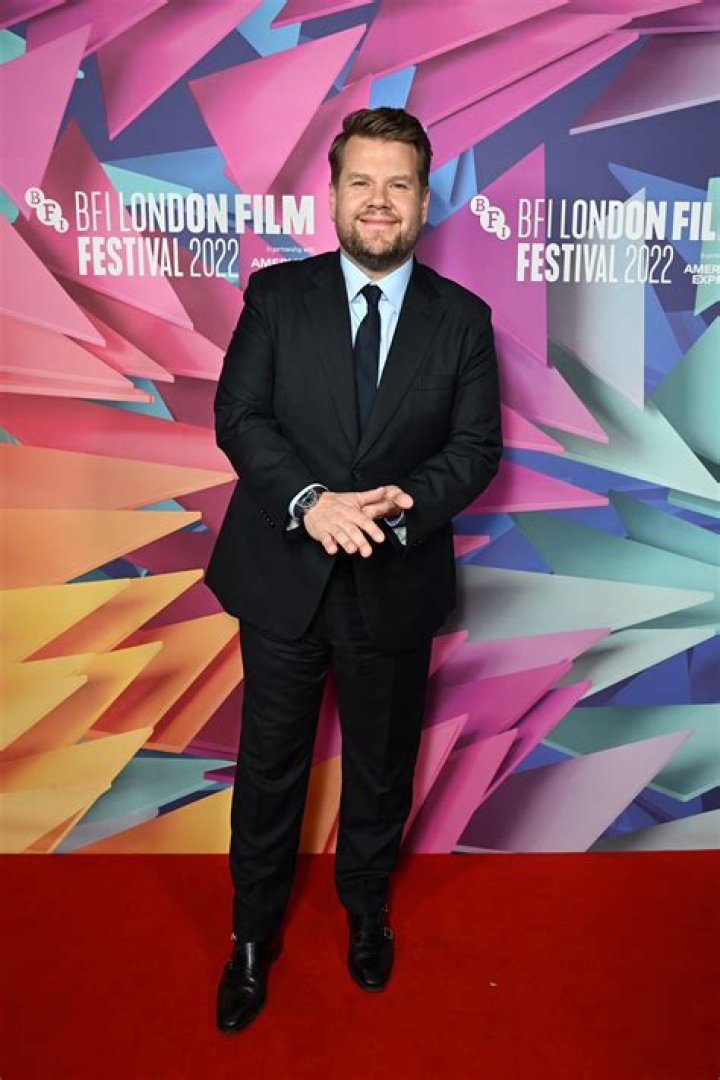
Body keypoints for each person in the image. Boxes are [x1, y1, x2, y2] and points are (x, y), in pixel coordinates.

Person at [205, 106, 502, 1034]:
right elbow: (240, 418)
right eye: (362, 182)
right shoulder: (276, 298)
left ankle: (366, 912)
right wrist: (311, 502)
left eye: (399, 184)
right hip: (284, 578)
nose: (380, 201)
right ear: (333, 195)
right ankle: (252, 937)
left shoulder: (463, 320)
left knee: (380, 770)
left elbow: (476, 447)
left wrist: (409, 500)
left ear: (423, 200)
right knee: (270, 769)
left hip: (396, 583)